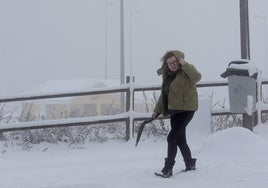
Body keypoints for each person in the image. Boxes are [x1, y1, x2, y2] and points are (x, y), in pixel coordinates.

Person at [153, 50, 201, 178]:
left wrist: (184, 64)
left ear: (179, 60)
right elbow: (164, 95)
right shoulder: (168, 76)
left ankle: (167, 169)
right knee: (180, 139)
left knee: (171, 137)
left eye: (174, 61)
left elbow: (197, 77)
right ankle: (190, 163)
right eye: (169, 63)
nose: (172, 65)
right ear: (166, 64)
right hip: (174, 111)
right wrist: (157, 110)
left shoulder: (186, 71)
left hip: (187, 110)